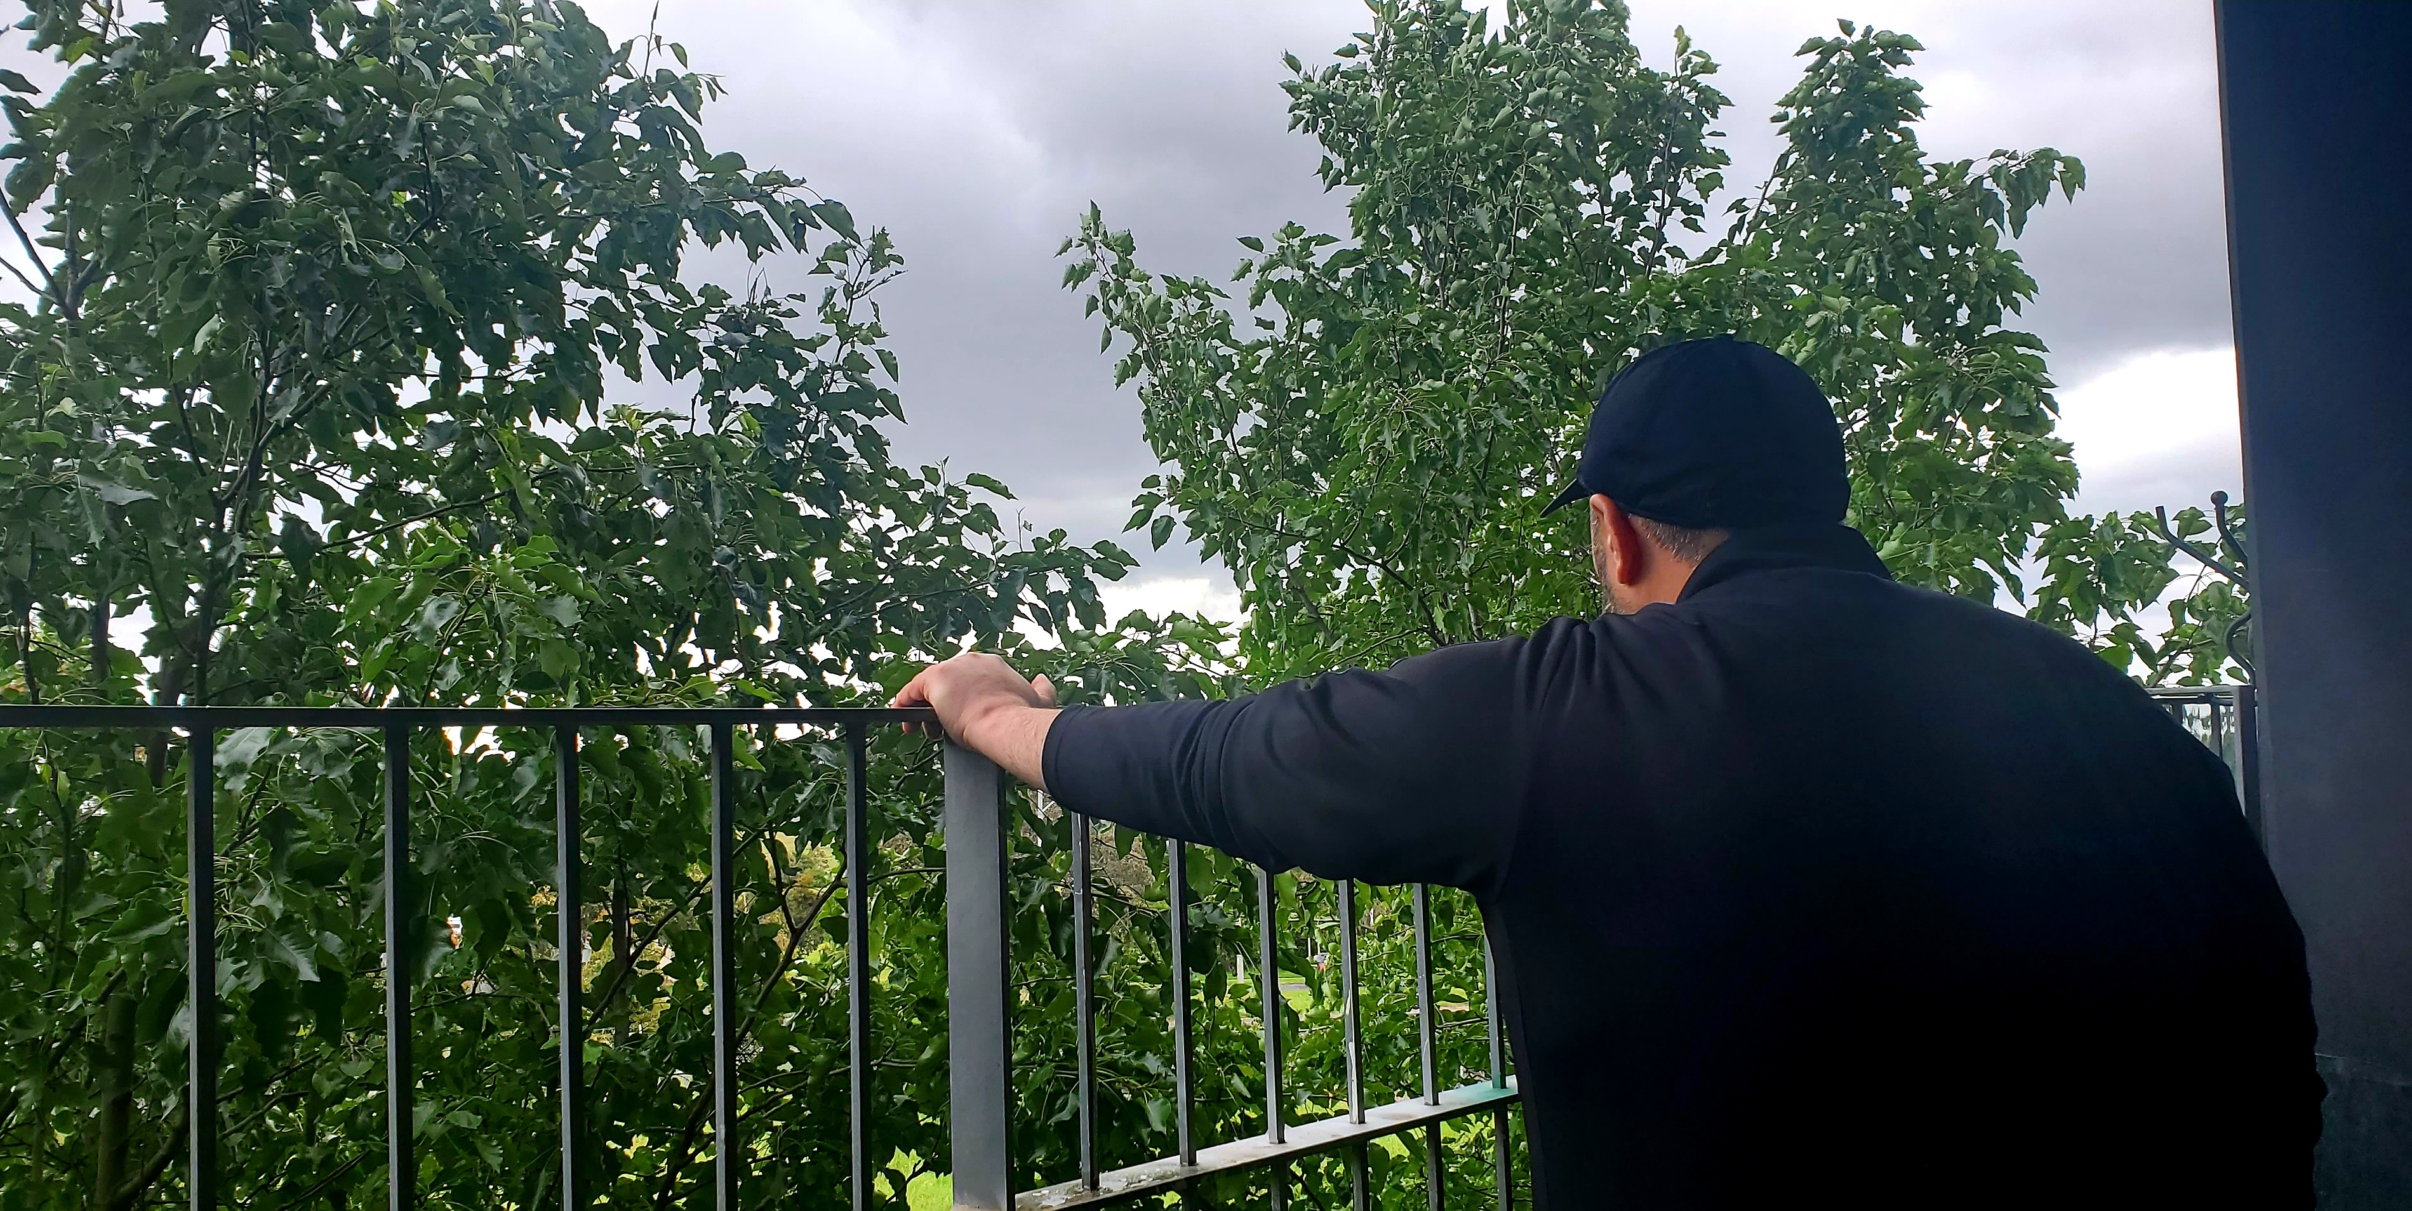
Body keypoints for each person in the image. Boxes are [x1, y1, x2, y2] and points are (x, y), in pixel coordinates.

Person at [894, 336, 2319, 1206]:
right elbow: (2273, 1040)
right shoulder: (2104, 711)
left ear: (1617, 532)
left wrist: (1000, 715)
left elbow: (1231, 760)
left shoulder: (1566, 710)